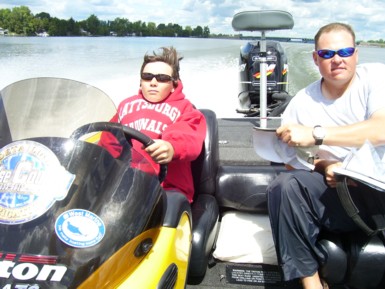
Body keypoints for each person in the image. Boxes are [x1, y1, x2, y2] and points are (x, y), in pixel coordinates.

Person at [267, 23, 385, 289]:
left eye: (344, 51)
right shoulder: (301, 102)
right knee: (285, 186)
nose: (337, 59)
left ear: (356, 54)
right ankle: (312, 284)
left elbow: (381, 130)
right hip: (339, 197)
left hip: (380, 191)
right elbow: (291, 161)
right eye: (327, 54)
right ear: (315, 59)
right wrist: (324, 166)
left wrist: (316, 134)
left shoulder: (377, 78)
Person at [99, 46, 206, 203]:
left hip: (167, 190)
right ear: (141, 81)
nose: (153, 82)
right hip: (128, 183)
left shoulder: (186, 109)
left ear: (174, 84)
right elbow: (108, 141)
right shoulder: (125, 105)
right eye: (147, 77)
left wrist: (171, 147)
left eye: (162, 78)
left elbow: (189, 136)